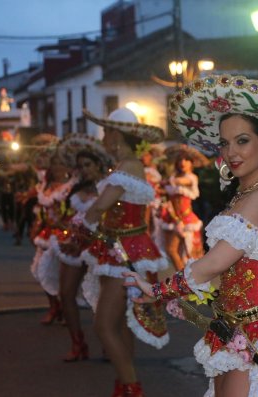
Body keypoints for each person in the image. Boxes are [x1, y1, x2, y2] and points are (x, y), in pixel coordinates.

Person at [126, 75, 258, 397]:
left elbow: (213, 264)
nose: (230, 152)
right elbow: (225, 270)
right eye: (224, 142)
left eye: (242, 140)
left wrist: (158, 290)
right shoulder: (245, 191)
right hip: (237, 330)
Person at [79, 108, 169, 396]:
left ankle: (131, 386)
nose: (104, 137)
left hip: (124, 253)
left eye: (106, 132)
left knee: (104, 325)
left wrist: (83, 226)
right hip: (124, 249)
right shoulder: (127, 165)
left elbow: (100, 207)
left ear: (116, 134)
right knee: (120, 324)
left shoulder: (126, 167)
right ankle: (124, 382)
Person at [50, 134, 111, 362]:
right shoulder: (76, 187)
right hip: (75, 244)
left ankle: (108, 343)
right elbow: (73, 216)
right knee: (65, 294)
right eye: (80, 166)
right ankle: (78, 344)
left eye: (88, 165)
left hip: (100, 245)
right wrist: (66, 231)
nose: (84, 170)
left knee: (102, 298)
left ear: (98, 165)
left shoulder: (110, 186)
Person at [30, 145, 76, 325]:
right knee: (42, 270)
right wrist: (36, 224)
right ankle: (53, 307)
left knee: (61, 273)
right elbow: (41, 209)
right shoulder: (44, 186)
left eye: (60, 164)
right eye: (54, 164)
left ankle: (66, 309)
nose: (57, 168)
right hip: (47, 232)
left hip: (64, 233)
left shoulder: (70, 187)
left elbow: (73, 210)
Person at [160, 145, 206, 270]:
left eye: (186, 160)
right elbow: (166, 190)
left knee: (175, 250)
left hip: (186, 220)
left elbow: (182, 182)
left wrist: (166, 181)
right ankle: (182, 282)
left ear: (191, 163)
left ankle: (183, 282)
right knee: (175, 251)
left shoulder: (191, 178)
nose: (182, 163)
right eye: (180, 160)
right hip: (173, 219)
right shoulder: (174, 177)